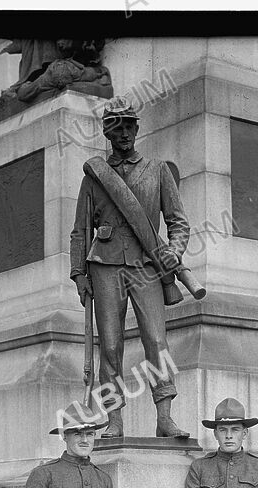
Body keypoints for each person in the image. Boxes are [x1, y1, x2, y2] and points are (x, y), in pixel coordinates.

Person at [69, 96, 190, 439]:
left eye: (129, 126)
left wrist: (174, 252)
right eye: (116, 127)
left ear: (137, 128)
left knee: (156, 340)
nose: (124, 133)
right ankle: (115, 420)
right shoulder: (95, 176)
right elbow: (80, 231)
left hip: (147, 267)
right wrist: (79, 274)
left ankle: (165, 416)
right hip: (105, 267)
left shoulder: (158, 171)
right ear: (107, 132)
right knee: (110, 346)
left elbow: (179, 223)